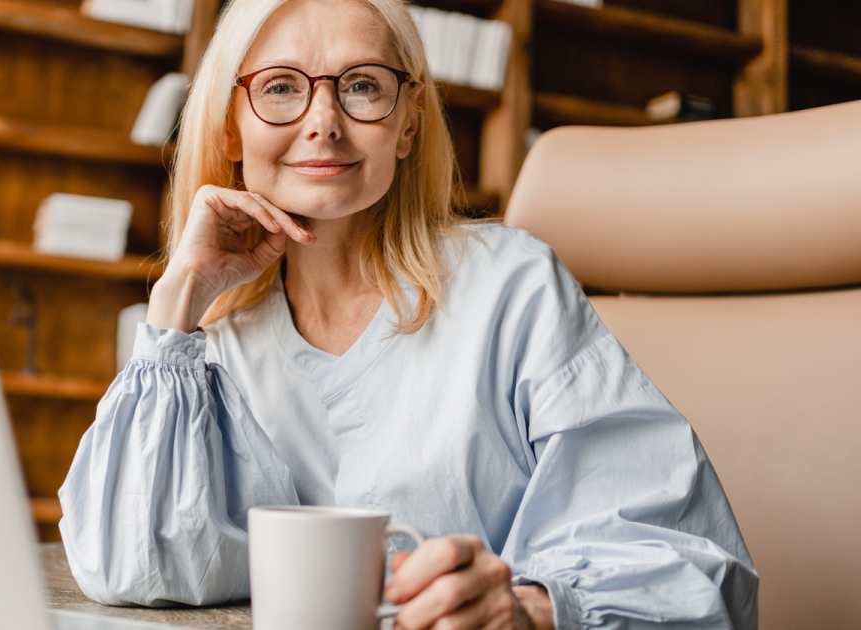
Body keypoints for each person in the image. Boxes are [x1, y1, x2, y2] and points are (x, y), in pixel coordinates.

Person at [59, 0, 759, 626]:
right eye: (279, 88)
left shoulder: (510, 286)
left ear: (407, 125)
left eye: (363, 86)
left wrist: (531, 610)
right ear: (230, 132)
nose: (323, 123)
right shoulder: (203, 345)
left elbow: (689, 565)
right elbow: (130, 566)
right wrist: (177, 298)